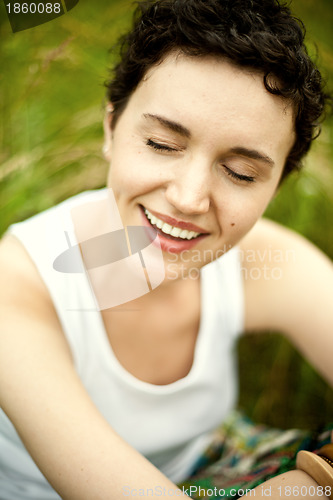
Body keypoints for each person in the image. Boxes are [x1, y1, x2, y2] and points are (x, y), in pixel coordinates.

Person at [0, 0, 332, 498]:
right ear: (111, 128)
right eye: (161, 143)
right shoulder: (19, 285)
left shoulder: (261, 260)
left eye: (240, 173)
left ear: (275, 187)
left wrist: (318, 473)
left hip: (211, 462)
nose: (188, 198)